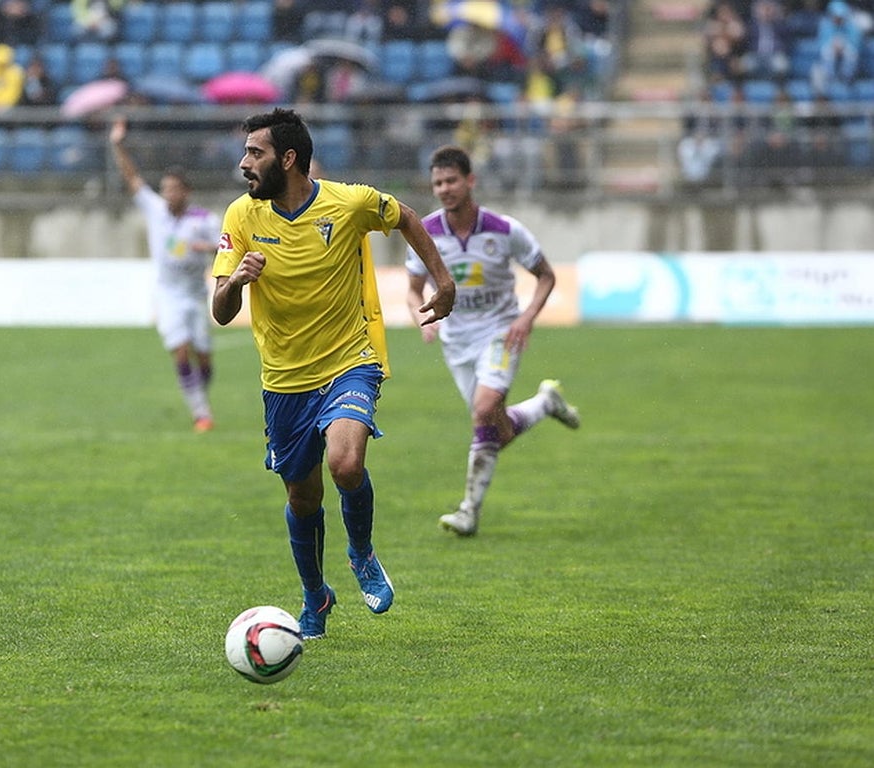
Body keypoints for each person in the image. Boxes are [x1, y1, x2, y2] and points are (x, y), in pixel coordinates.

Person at [211, 108, 456, 639]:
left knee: (345, 465)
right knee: (303, 498)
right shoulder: (241, 217)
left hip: (350, 361)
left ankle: (363, 553)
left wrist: (444, 281)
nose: (244, 164)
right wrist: (238, 282)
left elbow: (407, 216)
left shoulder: (348, 203)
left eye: (255, 153)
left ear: (289, 158)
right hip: (284, 380)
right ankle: (314, 596)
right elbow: (220, 310)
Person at [405, 145, 580, 538]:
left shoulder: (505, 230)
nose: (445, 189)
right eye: (438, 183)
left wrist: (525, 318)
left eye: (451, 180)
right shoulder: (426, 231)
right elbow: (413, 289)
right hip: (456, 340)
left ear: (470, 181)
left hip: (499, 332)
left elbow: (546, 275)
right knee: (495, 430)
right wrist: (422, 318)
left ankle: (468, 511)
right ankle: (544, 403)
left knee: (483, 411)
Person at [111, 116, 221, 433]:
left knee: (204, 359)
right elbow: (132, 178)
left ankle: (200, 398)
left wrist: (208, 248)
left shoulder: (204, 218)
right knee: (181, 350)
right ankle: (201, 412)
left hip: (196, 295)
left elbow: (224, 248)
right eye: (165, 188)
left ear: (187, 191)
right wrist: (117, 144)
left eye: (174, 188)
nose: (169, 193)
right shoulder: (155, 210)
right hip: (169, 294)